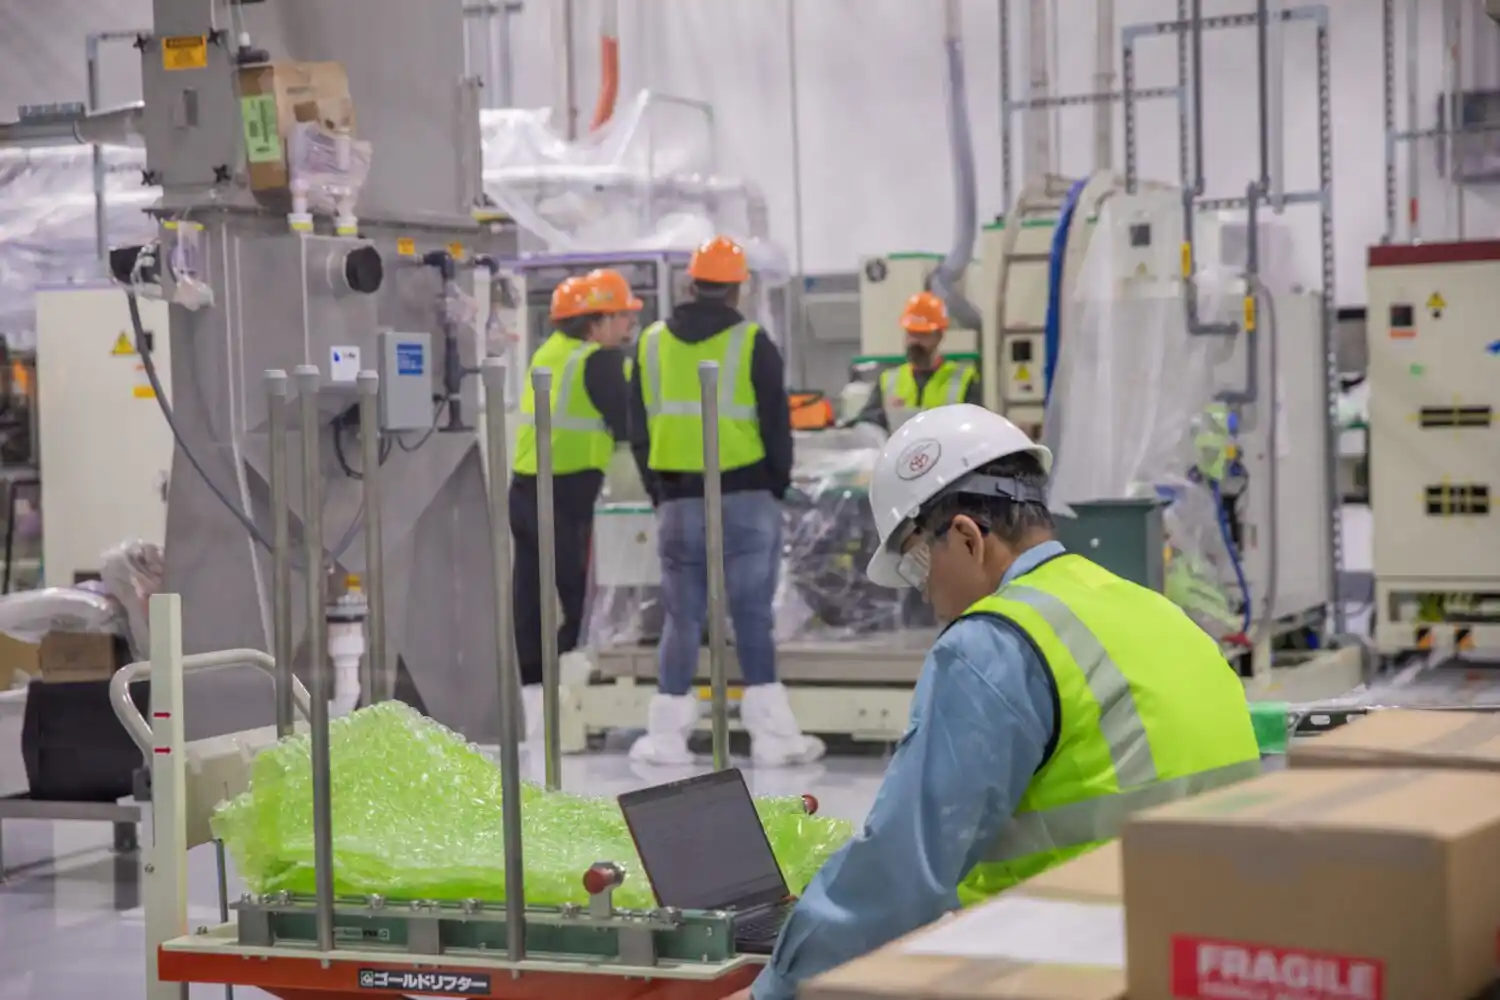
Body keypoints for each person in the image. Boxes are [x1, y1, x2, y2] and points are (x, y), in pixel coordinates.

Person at [744, 404, 1262, 1000]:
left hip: (1077, 962)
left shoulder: (992, 644)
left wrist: (774, 988)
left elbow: (901, 870)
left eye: (917, 562)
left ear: (967, 536)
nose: (926, 595)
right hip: (1206, 957)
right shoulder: (1150, 609)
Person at [626, 235, 824, 767]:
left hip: (678, 500)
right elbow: (778, 427)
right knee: (752, 615)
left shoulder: (649, 344)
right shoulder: (754, 343)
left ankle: (667, 738)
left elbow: (637, 427)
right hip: (746, 497)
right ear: (738, 288)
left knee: (681, 617)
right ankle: (774, 740)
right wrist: (775, 485)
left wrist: (659, 490)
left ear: (690, 283)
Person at [511, 270, 639, 748]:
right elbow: (628, 423)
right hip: (569, 494)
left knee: (530, 598)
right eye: (623, 315)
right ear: (596, 322)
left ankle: (534, 710)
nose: (627, 324)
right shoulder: (599, 361)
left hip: (525, 488)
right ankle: (567, 708)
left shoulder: (547, 354)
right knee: (583, 601)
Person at [852, 290, 981, 436]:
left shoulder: (963, 380)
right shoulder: (888, 380)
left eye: (922, 335)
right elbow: (867, 423)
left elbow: (976, 428)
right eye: (911, 334)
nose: (914, 341)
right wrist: (885, 414)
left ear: (939, 337)